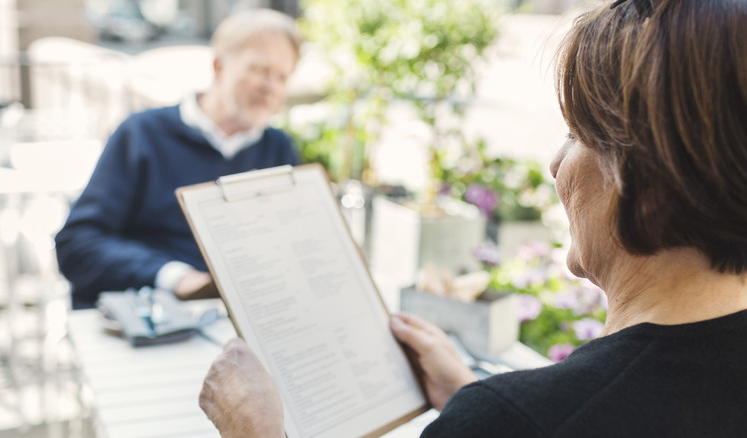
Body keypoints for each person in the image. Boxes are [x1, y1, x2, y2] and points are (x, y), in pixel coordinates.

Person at [198, 0, 747, 436]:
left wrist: (255, 432)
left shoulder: (515, 421)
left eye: (576, 134)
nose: (556, 164)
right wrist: (470, 398)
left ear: (648, 182)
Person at [55, 8, 303, 309]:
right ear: (219, 66)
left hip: (239, 320)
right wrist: (176, 278)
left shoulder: (277, 148)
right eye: (259, 70)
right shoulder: (142, 134)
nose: (271, 87)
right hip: (150, 316)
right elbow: (78, 245)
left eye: (282, 76)